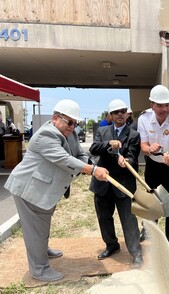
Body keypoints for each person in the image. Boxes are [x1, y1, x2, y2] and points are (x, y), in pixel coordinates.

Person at [4, 99, 108, 282]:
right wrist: (92, 170)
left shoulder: (70, 132)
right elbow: (64, 159)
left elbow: (78, 154)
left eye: (76, 123)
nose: (73, 127)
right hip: (29, 189)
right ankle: (40, 269)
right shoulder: (46, 134)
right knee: (36, 229)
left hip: (44, 189)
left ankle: (42, 250)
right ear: (55, 118)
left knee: (42, 224)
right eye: (69, 122)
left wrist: (88, 163)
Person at [89, 99, 143, 268]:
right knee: (104, 217)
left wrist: (126, 160)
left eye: (123, 111)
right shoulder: (102, 131)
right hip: (103, 183)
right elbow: (93, 148)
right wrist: (108, 144)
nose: (120, 114)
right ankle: (111, 245)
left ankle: (136, 253)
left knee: (128, 219)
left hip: (124, 184)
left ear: (127, 114)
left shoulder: (134, 134)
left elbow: (134, 157)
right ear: (110, 116)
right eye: (116, 112)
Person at [137, 84, 169, 258]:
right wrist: (150, 149)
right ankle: (152, 236)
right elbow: (143, 145)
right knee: (152, 201)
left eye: (167, 105)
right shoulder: (143, 118)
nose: (164, 109)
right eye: (160, 105)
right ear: (152, 105)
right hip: (153, 166)